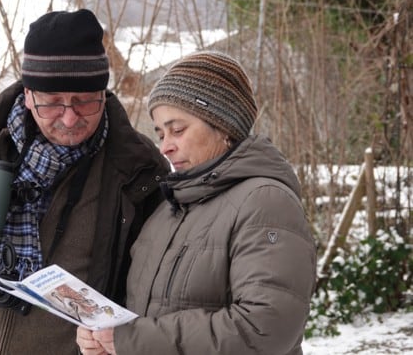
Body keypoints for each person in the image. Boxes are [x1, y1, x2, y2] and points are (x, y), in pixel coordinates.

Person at [0, 8, 169, 355]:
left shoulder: (139, 169)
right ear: (28, 95)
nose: (70, 118)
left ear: (103, 93)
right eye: (53, 103)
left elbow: (158, 290)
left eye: (84, 102)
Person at [76, 51, 317, 355]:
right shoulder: (168, 210)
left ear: (225, 126)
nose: (165, 147)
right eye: (161, 133)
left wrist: (132, 339)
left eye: (177, 130)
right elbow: (147, 315)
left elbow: (266, 329)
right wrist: (106, 336)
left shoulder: (265, 202)